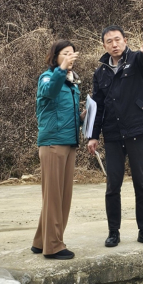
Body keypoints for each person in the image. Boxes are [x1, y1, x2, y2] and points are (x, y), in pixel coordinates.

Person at [87, 25, 143, 247]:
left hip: (138, 130)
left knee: (141, 183)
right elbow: (97, 106)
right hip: (113, 133)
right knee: (113, 185)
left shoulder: (137, 60)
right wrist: (93, 135)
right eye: (109, 41)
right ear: (104, 45)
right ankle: (113, 232)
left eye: (118, 40)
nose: (114, 44)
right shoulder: (100, 73)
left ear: (125, 41)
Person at [32, 40, 82, 260]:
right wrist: (61, 70)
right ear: (55, 57)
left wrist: (84, 116)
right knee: (54, 197)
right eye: (65, 53)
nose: (70, 56)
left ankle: (40, 241)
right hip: (53, 144)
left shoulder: (72, 83)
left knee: (62, 196)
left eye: (72, 53)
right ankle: (53, 246)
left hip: (69, 142)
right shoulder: (48, 77)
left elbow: (66, 115)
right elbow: (49, 91)